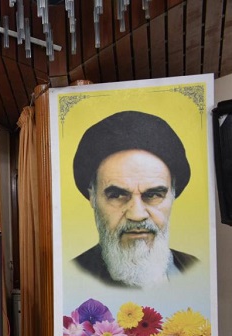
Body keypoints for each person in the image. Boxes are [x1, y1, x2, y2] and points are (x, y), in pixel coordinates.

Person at [71, 110, 198, 288]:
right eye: (117, 195)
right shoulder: (73, 277)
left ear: (173, 194)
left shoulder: (194, 269)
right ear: (93, 196)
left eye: (153, 195)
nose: (137, 215)